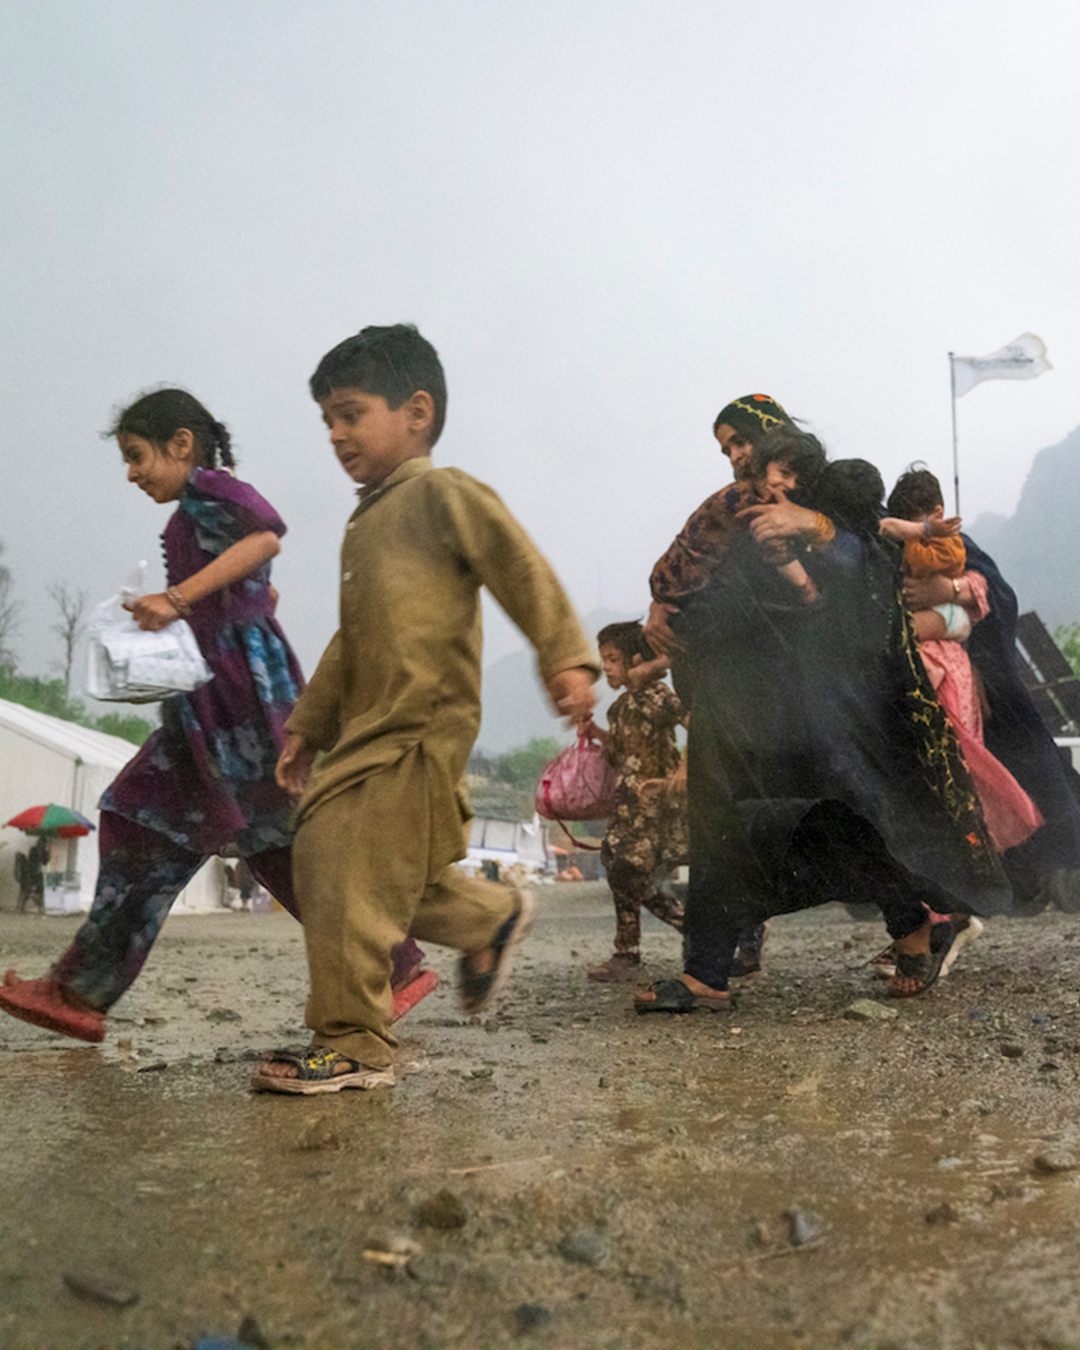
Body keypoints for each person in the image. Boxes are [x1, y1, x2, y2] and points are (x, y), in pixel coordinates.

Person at [0, 389, 428, 1044]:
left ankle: (78, 990)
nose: (132, 473)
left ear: (181, 444)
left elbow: (266, 535)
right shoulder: (194, 511)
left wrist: (177, 599)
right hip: (226, 698)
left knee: (141, 817)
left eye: (137, 456)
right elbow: (258, 583)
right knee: (273, 843)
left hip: (234, 704)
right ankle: (393, 967)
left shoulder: (211, 489)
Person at [251, 324, 597, 1095]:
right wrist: (309, 725)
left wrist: (564, 654)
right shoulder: (367, 522)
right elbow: (352, 639)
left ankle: (353, 1040)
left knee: (339, 857)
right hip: (370, 730)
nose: (336, 435)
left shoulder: (443, 495)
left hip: (418, 729)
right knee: (385, 875)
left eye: (350, 414)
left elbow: (518, 563)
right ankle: (489, 917)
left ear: (416, 411)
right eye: (327, 421)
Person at [637, 437, 1008, 1011]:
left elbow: (865, 567)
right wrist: (670, 616)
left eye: (783, 474)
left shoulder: (841, 533)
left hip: (819, 725)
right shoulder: (741, 523)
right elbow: (700, 586)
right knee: (723, 837)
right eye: (751, 463)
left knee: (848, 828)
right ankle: (706, 973)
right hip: (735, 719)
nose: (769, 484)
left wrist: (816, 529)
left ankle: (911, 924)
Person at [881, 468, 1042, 854]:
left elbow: (990, 595)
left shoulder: (956, 549)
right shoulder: (894, 547)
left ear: (938, 512)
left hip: (955, 674)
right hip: (925, 670)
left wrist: (949, 593)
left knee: (965, 767)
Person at [582, 621, 687, 982]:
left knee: (631, 873)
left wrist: (683, 770)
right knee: (625, 873)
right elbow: (621, 756)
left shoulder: (659, 697)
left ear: (637, 659)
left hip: (657, 809)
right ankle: (635, 951)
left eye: (613, 659)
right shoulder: (619, 708)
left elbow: (698, 723)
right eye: (604, 660)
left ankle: (631, 953)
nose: (607, 667)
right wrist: (598, 735)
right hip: (628, 809)